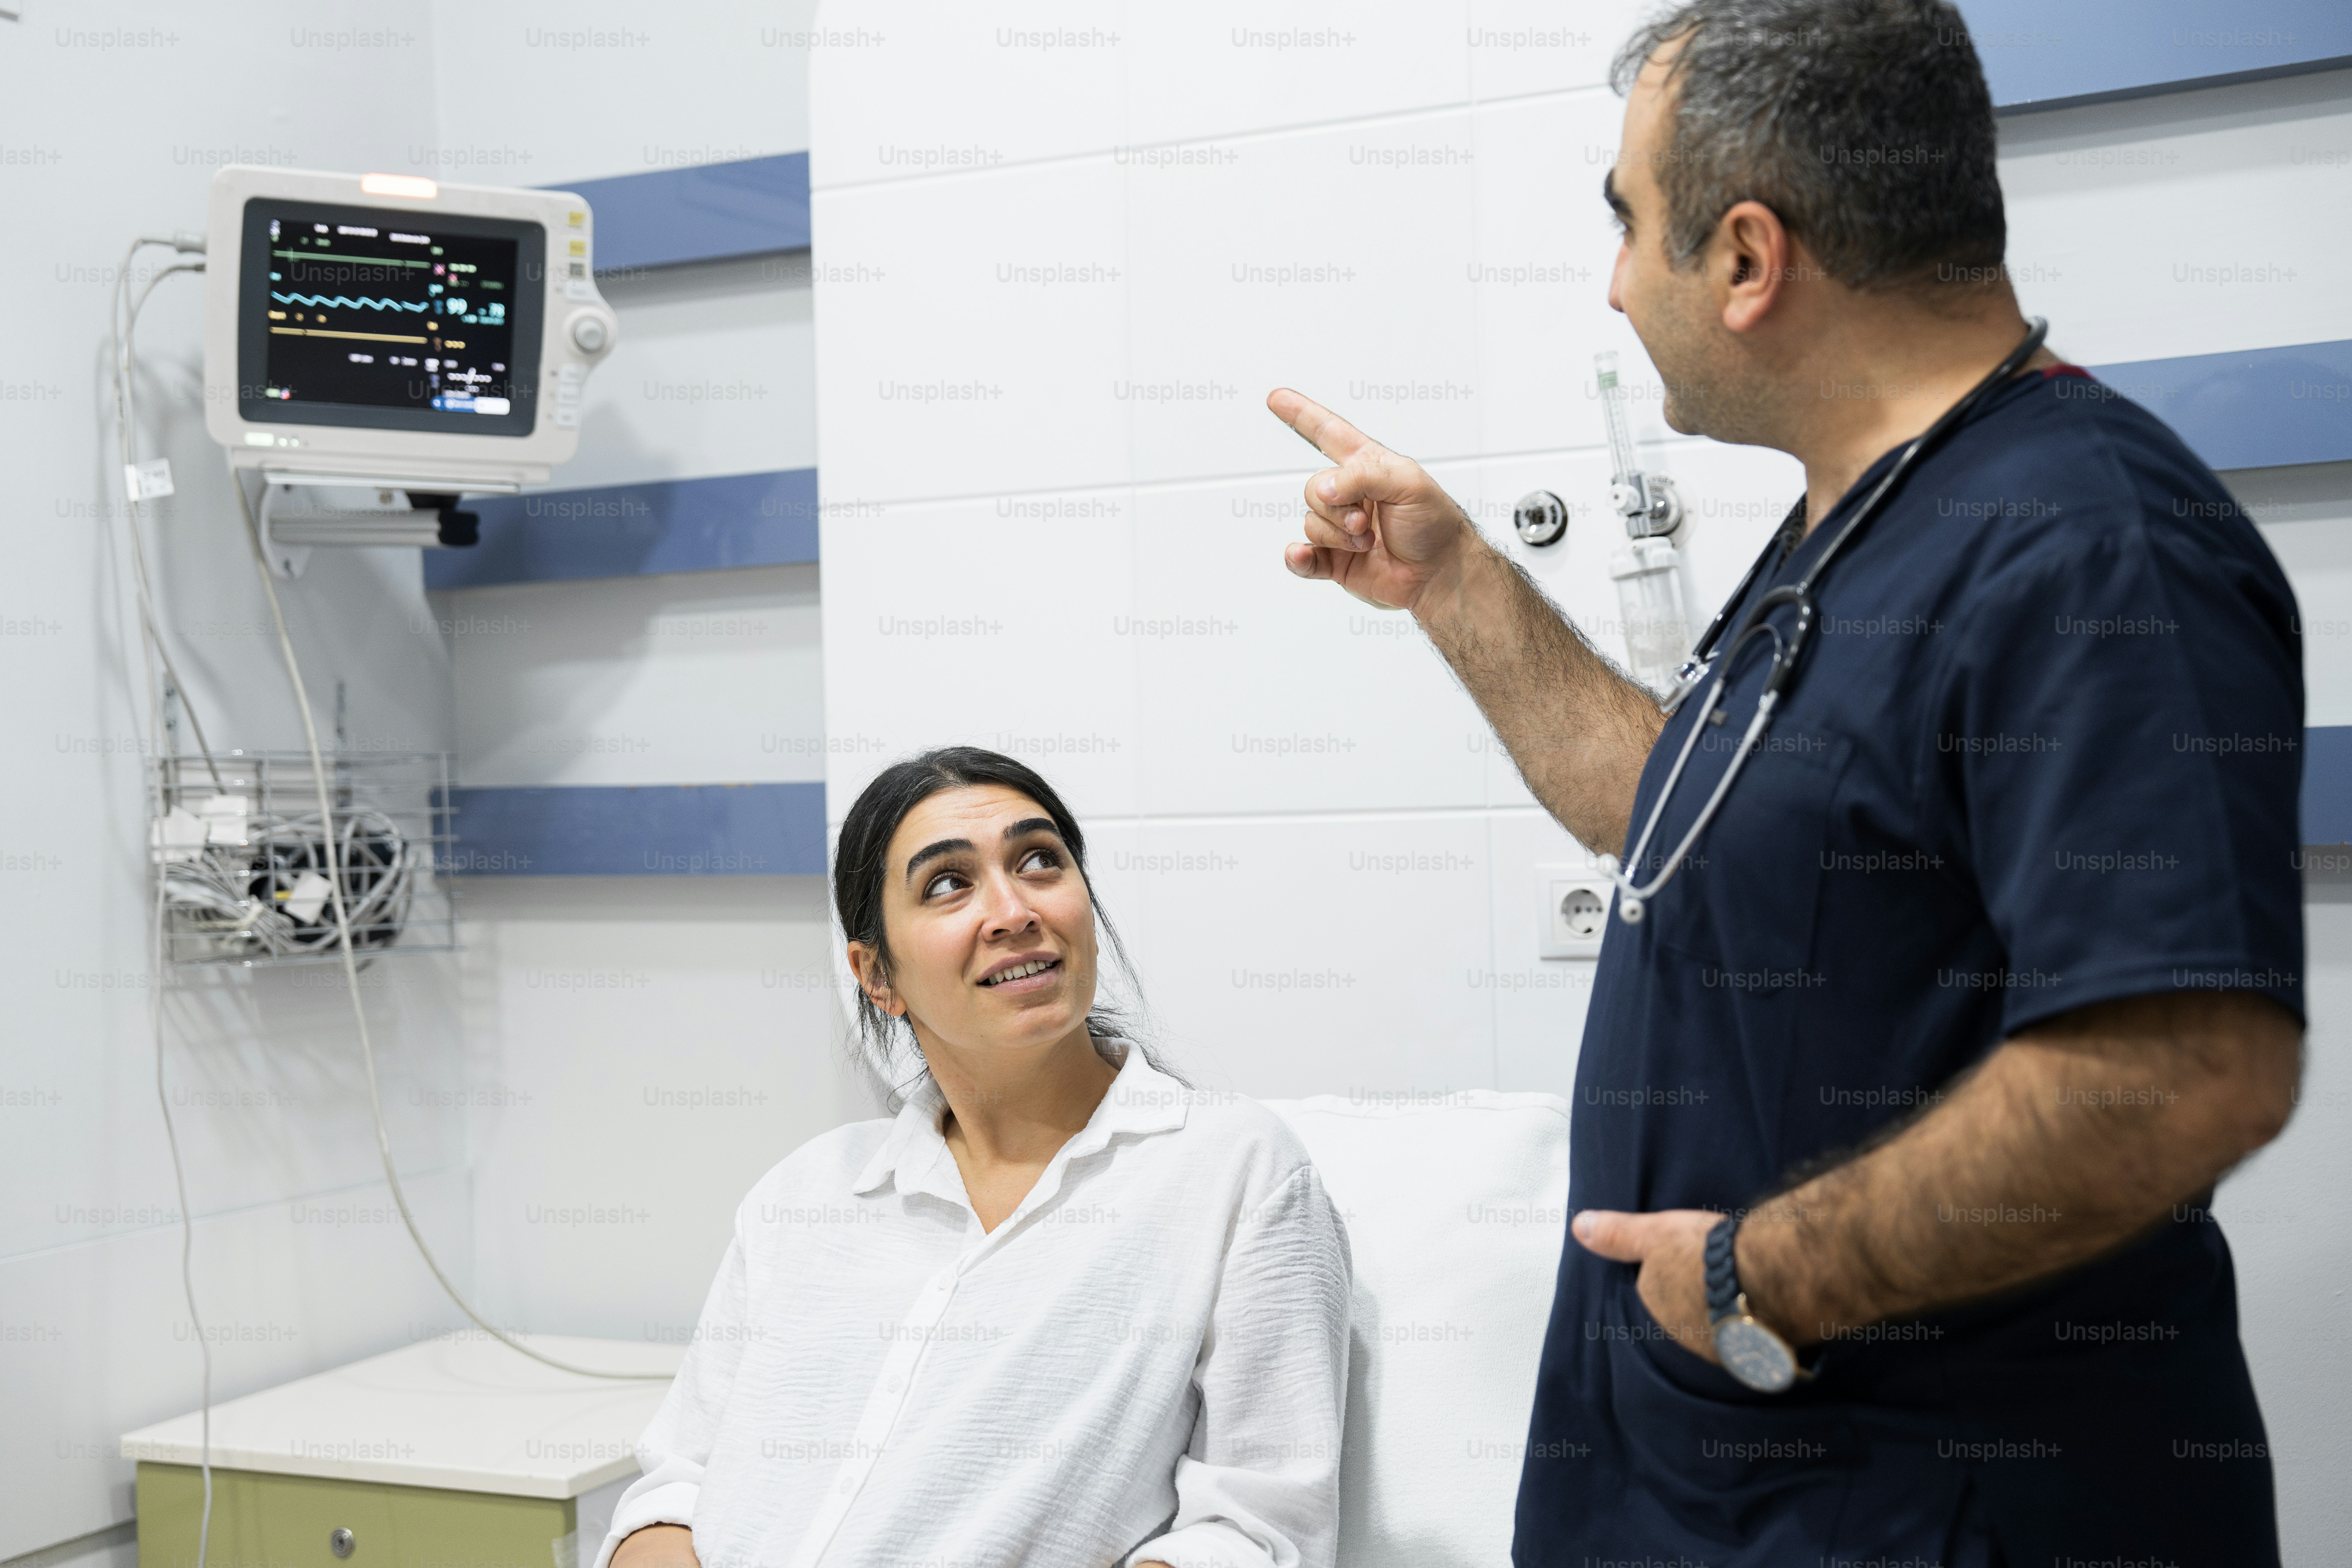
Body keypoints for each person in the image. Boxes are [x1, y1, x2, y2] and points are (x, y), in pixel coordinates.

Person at [1266, 0, 2303, 1562]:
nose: (1614, 284)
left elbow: (2178, 1068)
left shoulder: (2086, 547)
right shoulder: (1862, 521)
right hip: (1724, 1485)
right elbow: (1688, 818)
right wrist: (1461, 585)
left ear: (1748, 259)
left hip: (1936, 1507)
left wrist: (1760, 1279)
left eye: (1629, 227)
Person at [594, 747, 1350, 1568]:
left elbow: (1257, 1527)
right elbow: (676, 1486)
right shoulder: (808, 1195)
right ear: (876, 974)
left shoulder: (1229, 1172)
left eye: (1040, 862)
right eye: (948, 884)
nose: (1014, 909)